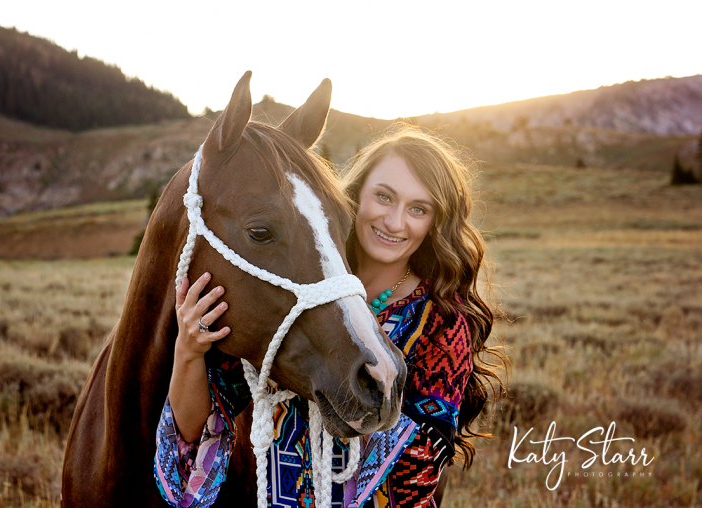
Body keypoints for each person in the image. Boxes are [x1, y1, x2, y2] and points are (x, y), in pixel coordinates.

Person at [155, 126, 507, 508]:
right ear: (356, 196)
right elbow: (198, 444)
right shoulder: (291, 293)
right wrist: (188, 350)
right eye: (384, 197)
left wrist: (358, 397)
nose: (394, 221)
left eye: (418, 209)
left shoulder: (441, 322)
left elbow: (421, 472)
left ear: (433, 223)